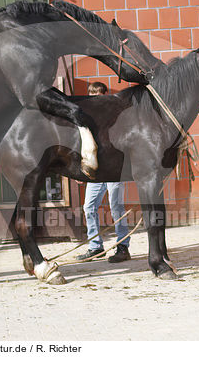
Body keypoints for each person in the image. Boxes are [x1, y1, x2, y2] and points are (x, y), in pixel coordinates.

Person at [76, 82, 131, 263]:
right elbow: (82, 143)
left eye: (99, 95)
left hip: (114, 168)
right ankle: (95, 247)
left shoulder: (115, 115)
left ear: (105, 95)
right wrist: (80, 168)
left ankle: (123, 247)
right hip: (97, 170)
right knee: (88, 207)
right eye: (93, 95)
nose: (96, 99)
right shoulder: (86, 116)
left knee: (116, 207)